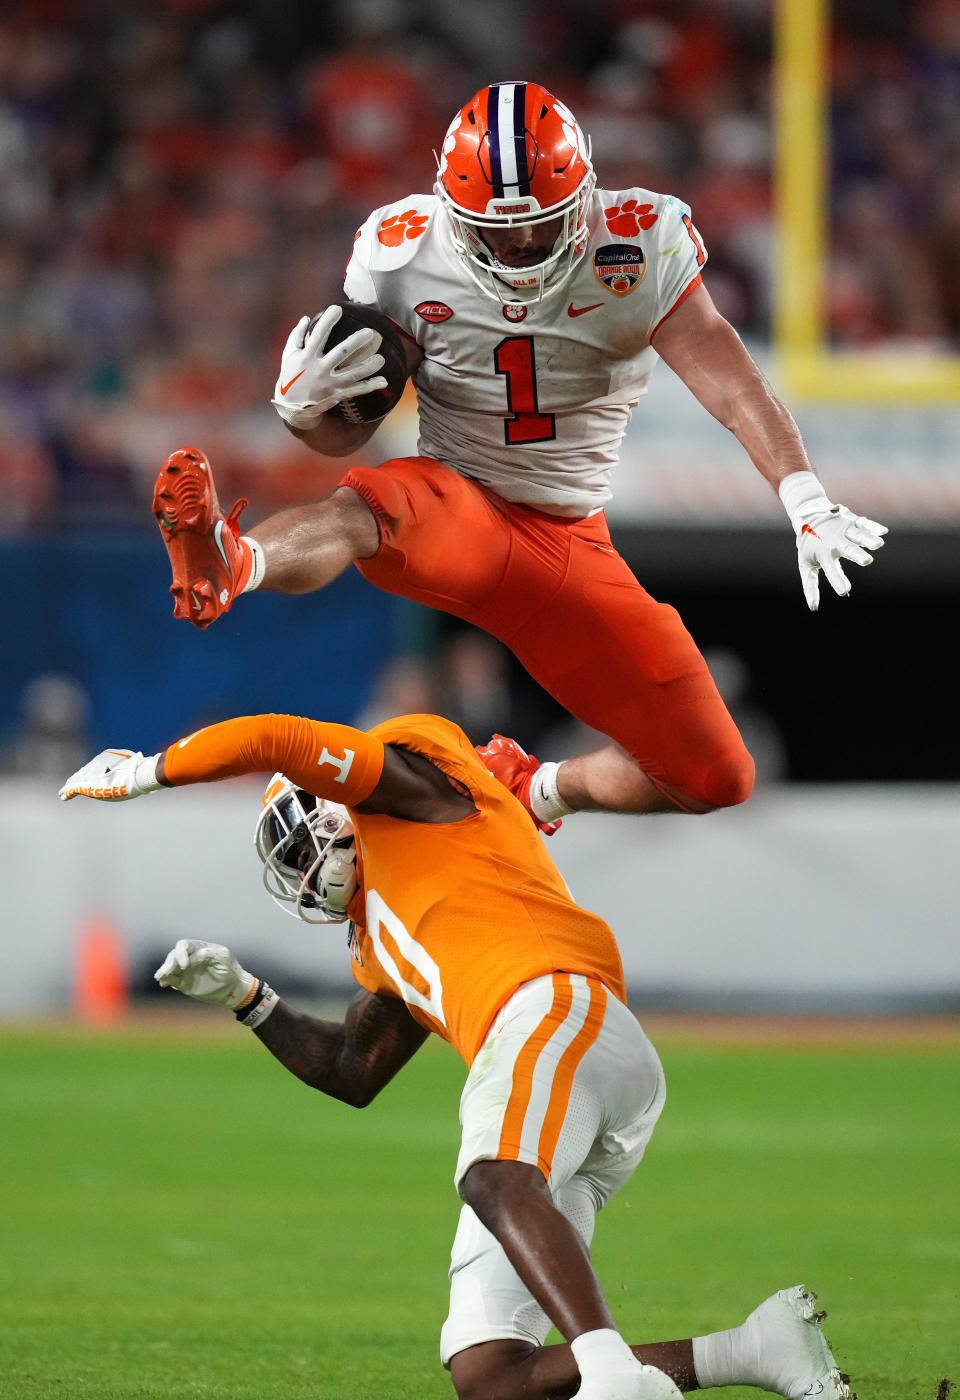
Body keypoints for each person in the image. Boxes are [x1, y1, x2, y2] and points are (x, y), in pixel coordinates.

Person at [151, 80, 887, 833]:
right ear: (452, 210)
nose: (523, 246)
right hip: (457, 500)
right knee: (364, 508)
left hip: (570, 543)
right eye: (499, 232)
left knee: (716, 775)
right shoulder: (401, 249)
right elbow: (348, 432)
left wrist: (803, 497)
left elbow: (732, 383)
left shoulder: (639, 240)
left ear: (584, 195)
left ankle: (534, 788)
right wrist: (306, 413)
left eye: (541, 225)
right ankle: (230, 564)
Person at [59, 714, 854, 1400]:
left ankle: (611, 1374)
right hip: (569, 1062)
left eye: (303, 842)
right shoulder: (379, 940)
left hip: (554, 1005)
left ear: (339, 802)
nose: (303, 868)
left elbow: (275, 738)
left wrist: (150, 771)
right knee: (491, 1374)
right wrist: (245, 996)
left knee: (492, 1176)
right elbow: (350, 1071)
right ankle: (756, 1348)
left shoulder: (421, 788)